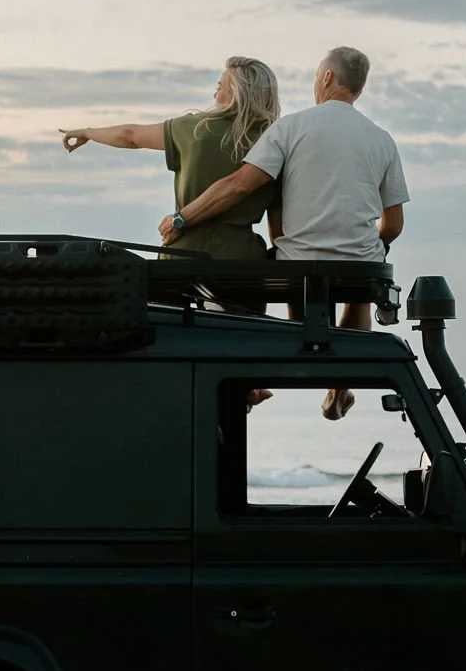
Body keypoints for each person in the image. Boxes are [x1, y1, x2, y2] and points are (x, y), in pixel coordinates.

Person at [159, 46, 407, 417]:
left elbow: (241, 184)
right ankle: (340, 384)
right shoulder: (382, 139)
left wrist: (183, 219)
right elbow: (394, 224)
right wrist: (375, 244)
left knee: (285, 262)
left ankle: (273, 365)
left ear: (326, 78)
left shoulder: (291, 126)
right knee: (362, 278)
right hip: (359, 260)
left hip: (299, 260)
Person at [61, 56, 281, 266]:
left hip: (185, 253)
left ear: (234, 92)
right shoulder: (275, 139)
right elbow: (277, 215)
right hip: (240, 256)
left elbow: (131, 136)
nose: (215, 92)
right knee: (248, 301)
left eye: (220, 86)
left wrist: (88, 133)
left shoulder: (196, 128)